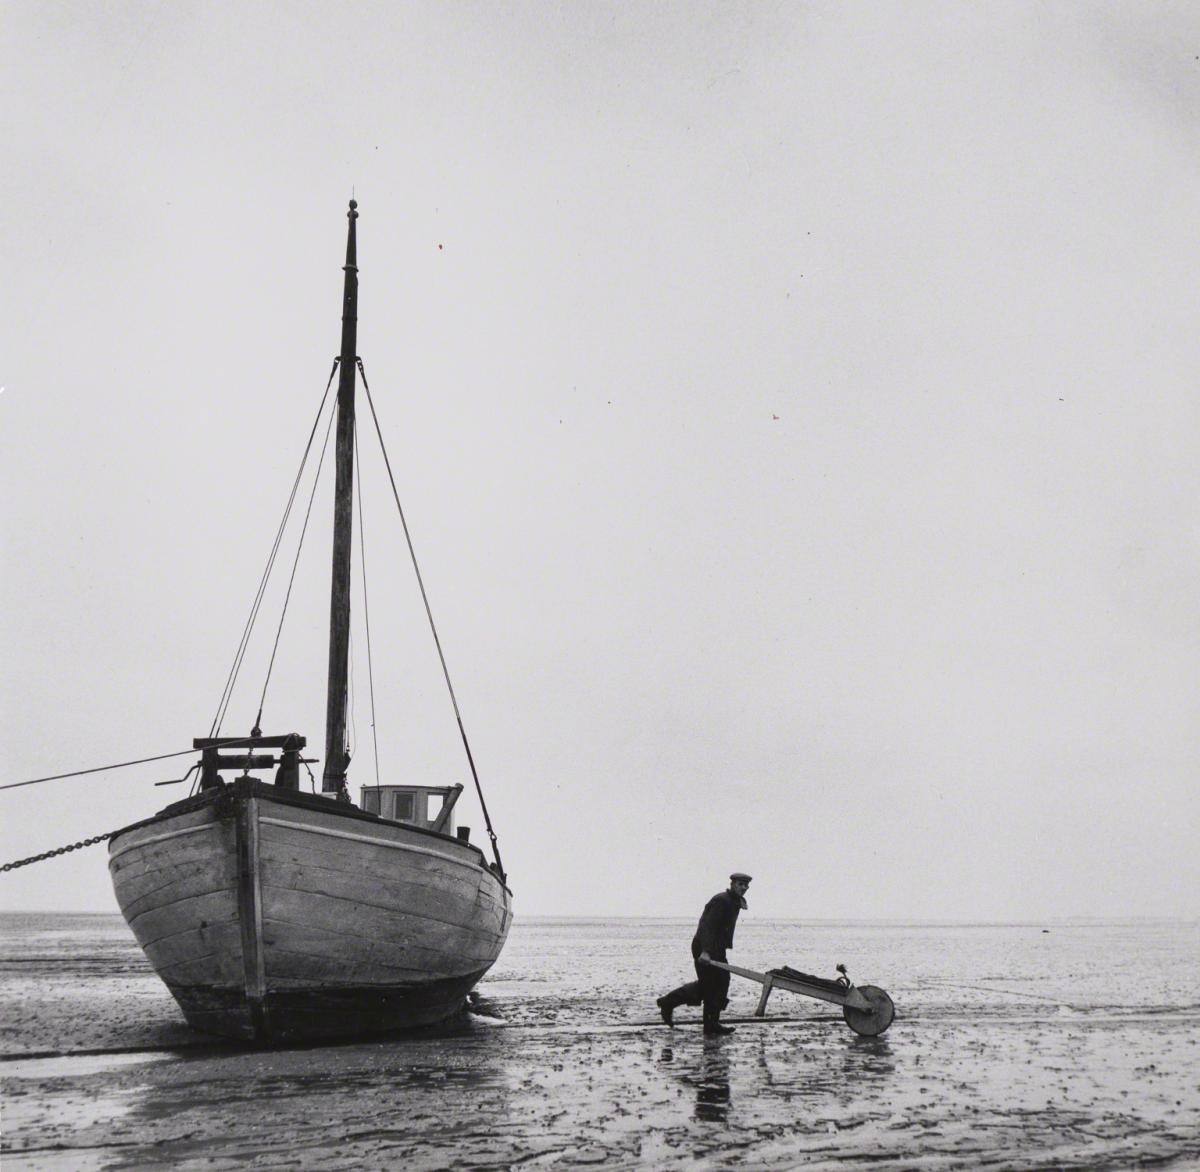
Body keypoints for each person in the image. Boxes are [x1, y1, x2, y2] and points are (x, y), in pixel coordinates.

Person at [657, 872, 752, 1035]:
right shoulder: (721, 901)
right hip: (705, 946)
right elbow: (707, 926)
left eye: (746, 885)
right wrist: (706, 951)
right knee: (709, 984)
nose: (743, 888)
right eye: (740, 884)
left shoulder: (733, 902)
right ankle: (668, 1002)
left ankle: (711, 1024)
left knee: (719, 982)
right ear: (732, 884)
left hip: (716, 948)